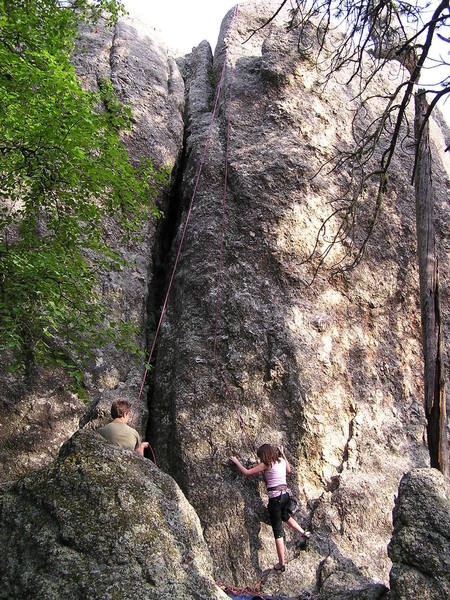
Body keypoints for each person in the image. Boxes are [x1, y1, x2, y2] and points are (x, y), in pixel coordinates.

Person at [230, 443, 310, 572]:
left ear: (264, 455)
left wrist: (236, 461)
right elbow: (289, 470)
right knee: (285, 516)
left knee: (277, 531)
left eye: (261, 456)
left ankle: (281, 563)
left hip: (276, 499)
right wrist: (282, 453)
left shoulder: (266, 464)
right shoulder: (282, 461)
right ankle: (303, 533)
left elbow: (247, 472)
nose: (261, 459)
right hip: (286, 496)